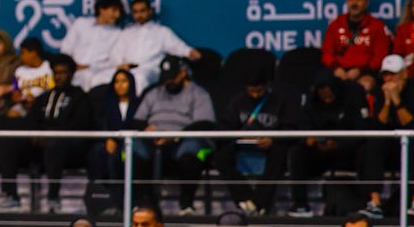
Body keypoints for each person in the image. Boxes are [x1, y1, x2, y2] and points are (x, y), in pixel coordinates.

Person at [0, 55, 92, 213]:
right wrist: (36, 134)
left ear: (71, 74)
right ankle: (11, 196)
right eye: (56, 73)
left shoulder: (80, 98)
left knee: (55, 145)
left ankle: (53, 198)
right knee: (9, 142)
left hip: (68, 147)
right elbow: (31, 121)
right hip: (40, 144)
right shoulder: (44, 97)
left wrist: (50, 134)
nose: (59, 76)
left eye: (63, 73)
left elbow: (80, 125)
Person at [211, 62, 294, 217]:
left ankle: (258, 203)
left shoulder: (280, 101)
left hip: (270, 144)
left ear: (266, 86)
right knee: (220, 157)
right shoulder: (238, 101)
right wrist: (239, 136)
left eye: (259, 91)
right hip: (242, 142)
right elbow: (225, 125)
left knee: (280, 154)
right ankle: (247, 199)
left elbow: (291, 128)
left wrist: (272, 139)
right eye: (251, 91)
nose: (255, 95)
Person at [131, 56, 213, 213]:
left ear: (183, 73)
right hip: (154, 139)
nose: (169, 82)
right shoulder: (154, 93)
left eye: (172, 77)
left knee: (191, 150)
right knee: (134, 150)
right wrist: (146, 128)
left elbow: (204, 123)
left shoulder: (198, 94)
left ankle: (186, 204)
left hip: (182, 139)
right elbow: (137, 120)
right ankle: (145, 203)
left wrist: (175, 136)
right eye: (166, 78)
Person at [356, 53, 414, 220]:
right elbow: (378, 126)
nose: (389, 79)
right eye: (385, 75)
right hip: (392, 146)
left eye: (393, 74)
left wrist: (397, 100)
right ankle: (375, 202)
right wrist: (387, 101)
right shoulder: (380, 91)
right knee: (373, 144)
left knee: (411, 143)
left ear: (404, 73)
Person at [285, 70, 365, 219]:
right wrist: (309, 140)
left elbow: (360, 131)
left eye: (328, 89)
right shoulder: (311, 106)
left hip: (345, 153)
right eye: (321, 90)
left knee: (366, 149)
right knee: (296, 151)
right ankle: (300, 204)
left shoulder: (349, 103)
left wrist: (338, 144)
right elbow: (300, 128)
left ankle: (367, 204)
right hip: (319, 153)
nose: (325, 93)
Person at [88, 68, 142, 214]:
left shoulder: (139, 104)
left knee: (117, 158)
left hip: (132, 144)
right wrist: (108, 138)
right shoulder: (106, 104)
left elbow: (138, 124)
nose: (120, 85)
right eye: (117, 82)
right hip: (109, 142)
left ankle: (121, 203)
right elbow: (102, 124)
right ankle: (98, 198)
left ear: (131, 83)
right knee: (98, 153)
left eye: (124, 81)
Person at [116, 0, 199, 91]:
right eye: (135, 12)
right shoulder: (126, 33)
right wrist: (120, 64)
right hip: (127, 69)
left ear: (150, 11)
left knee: (139, 78)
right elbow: (116, 53)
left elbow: (178, 47)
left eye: (142, 11)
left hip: (150, 70)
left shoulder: (161, 31)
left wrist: (190, 52)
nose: (139, 15)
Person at [321, 0, 390, 91]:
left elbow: (380, 57)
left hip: (365, 72)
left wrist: (360, 71)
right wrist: (336, 69)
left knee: (365, 85)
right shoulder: (336, 24)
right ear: (347, 2)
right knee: (324, 86)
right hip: (338, 71)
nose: (354, 3)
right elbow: (327, 52)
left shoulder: (377, 26)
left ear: (366, 3)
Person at [61, 0, 126, 91]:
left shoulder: (117, 33)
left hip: (95, 73)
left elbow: (113, 60)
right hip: (70, 70)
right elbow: (66, 48)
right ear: (102, 9)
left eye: (119, 11)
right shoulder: (81, 23)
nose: (117, 15)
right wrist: (72, 65)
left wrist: (90, 66)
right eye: (114, 10)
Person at [9, 38, 55, 117]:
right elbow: (15, 92)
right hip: (24, 105)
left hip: (44, 104)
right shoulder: (18, 71)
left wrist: (37, 100)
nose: (20, 56)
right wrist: (23, 99)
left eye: (23, 53)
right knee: (12, 113)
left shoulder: (50, 67)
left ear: (33, 53)